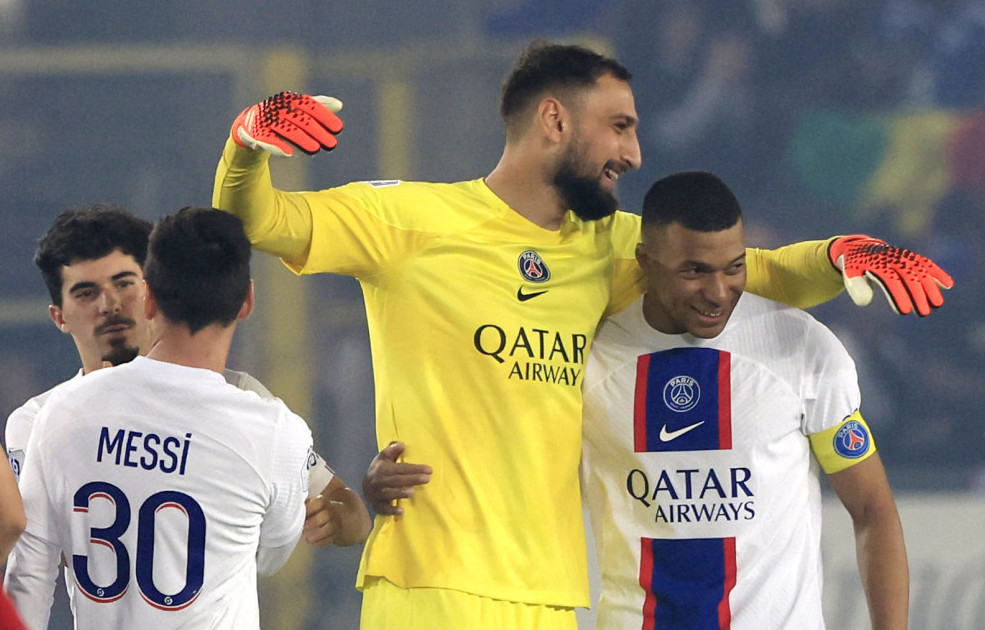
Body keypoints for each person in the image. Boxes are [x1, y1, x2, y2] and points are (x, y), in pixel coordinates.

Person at [215, 40, 944, 628]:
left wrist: (847, 252)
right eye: (619, 126)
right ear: (556, 122)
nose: (632, 153)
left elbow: (754, 273)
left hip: (553, 598)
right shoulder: (411, 223)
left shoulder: (612, 248)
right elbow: (260, 220)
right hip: (432, 585)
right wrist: (246, 145)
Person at [367, 172, 911, 628]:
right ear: (645, 262)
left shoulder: (801, 348)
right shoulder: (587, 362)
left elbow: (872, 511)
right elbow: (498, 462)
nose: (719, 291)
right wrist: (382, 482)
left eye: (734, 267)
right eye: (694, 271)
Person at [4, 208, 316, 629]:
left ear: (148, 297)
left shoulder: (62, 413)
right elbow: (270, 555)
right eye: (85, 292)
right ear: (247, 302)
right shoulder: (273, 429)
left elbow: (30, 569)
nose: (109, 305)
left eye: (123, 284)